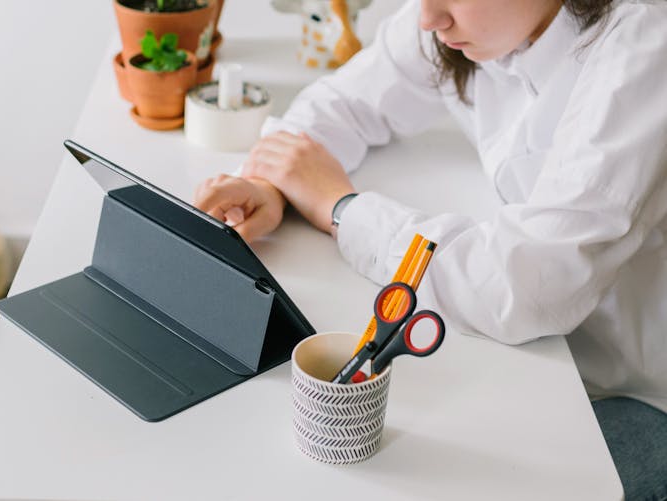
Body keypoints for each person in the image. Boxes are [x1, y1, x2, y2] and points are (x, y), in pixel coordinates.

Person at [194, 0, 667, 497]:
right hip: (535, 363)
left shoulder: (643, 46)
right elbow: (342, 104)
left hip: (630, 393)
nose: (427, 19)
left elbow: (525, 287)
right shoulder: (464, 20)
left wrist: (341, 208)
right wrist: (275, 188)